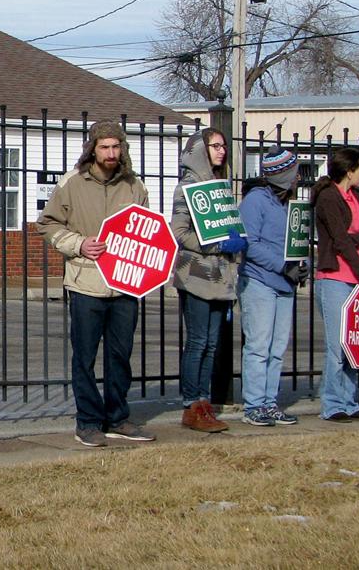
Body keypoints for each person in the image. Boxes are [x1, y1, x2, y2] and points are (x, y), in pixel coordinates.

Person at [37, 121, 156, 447]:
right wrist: (79, 244)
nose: (111, 153)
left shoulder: (134, 185)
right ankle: (88, 422)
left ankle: (117, 417)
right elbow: (47, 224)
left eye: (116, 146)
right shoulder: (72, 183)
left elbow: (147, 230)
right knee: (85, 357)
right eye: (104, 147)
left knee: (120, 355)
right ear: (93, 149)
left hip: (125, 286)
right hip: (85, 283)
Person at [169, 128, 241, 432]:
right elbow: (179, 232)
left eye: (223, 146)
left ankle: (205, 401)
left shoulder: (221, 187)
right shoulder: (186, 188)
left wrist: (237, 242)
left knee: (212, 343)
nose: (221, 151)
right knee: (197, 342)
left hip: (221, 277)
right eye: (215, 145)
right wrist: (216, 246)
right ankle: (191, 404)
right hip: (196, 274)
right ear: (199, 150)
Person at [237, 147, 306, 427]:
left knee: (277, 347)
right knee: (258, 345)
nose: (299, 177)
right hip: (259, 281)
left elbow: (297, 239)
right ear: (283, 175)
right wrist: (282, 265)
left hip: (285, 283)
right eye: (295, 172)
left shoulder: (290, 203)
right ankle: (254, 405)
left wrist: (302, 265)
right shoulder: (255, 201)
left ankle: (269, 401)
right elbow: (249, 243)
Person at [311, 148, 359, 423]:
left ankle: (349, 401)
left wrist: (358, 239)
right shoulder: (328, 197)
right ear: (349, 171)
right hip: (336, 278)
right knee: (337, 344)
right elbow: (340, 240)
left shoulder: (357, 196)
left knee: (354, 344)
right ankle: (332, 403)